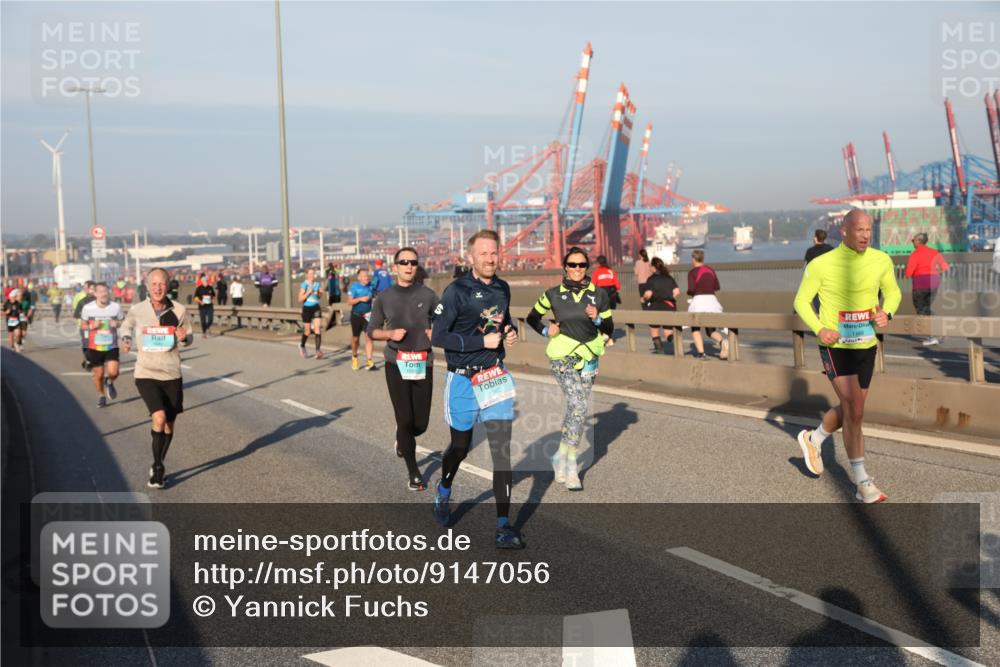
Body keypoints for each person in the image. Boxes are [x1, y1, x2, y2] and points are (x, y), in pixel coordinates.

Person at [793, 209, 901, 504]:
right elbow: (801, 301)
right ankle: (862, 481)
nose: (866, 235)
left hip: (866, 344)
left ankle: (813, 438)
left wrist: (887, 312)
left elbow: (893, 293)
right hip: (835, 345)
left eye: (868, 230)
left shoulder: (881, 260)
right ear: (844, 231)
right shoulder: (821, 264)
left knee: (854, 408)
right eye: (859, 230)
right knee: (855, 409)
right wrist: (820, 328)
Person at [431, 229, 524, 549]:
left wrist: (509, 332)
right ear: (471, 257)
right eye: (483, 253)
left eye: (494, 252)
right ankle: (444, 489)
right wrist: (480, 342)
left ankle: (503, 525)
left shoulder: (502, 288)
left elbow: (502, 320)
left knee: (501, 452)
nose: (490, 258)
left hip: (494, 375)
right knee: (460, 447)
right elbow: (438, 336)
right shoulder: (456, 291)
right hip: (462, 379)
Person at [527, 247, 613, 490]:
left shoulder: (599, 294)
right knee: (579, 405)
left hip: (589, 356)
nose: (577, 269)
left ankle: (559, 456)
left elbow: (609, 326)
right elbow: (532, 317)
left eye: (582, 265)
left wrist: (597, 318)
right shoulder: (553, 294)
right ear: (565, 267)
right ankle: (572, 465)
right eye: (573, 264)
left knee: (576, 410)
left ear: (587, 267)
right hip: (562, 356)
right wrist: (546, 330)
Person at [367, 247, 439, 491]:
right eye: (404, 262)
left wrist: (436, 330)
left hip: (423, 362)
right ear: (395, 266)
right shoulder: (384, 297)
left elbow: (444, 319)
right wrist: (389, 334)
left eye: (413, 262)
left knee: (421, 424)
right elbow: (371, 331)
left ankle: (402, 435)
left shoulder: (429, 295)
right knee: (405, 418)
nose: (409, 266)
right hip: (396, 363)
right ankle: (413, 472)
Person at [120, 268, 193, 489]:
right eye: (154, 284)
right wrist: (126, 339)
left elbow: (189, 337)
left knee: (169, 423)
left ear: (168, 285)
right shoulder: (138, 309)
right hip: (146, 372)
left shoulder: (179, 310)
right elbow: (126, 326)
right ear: (148, 286)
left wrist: (184, 337)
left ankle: (158, 461)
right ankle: (158, 468)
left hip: (171, 373)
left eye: (162, 284)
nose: (158, 288)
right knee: (159, 417)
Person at [79, 283, 124, 408]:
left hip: (111, 345)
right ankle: (101, 395)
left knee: (114, 372)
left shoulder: (115, 307)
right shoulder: (88, 308)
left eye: (105, 291)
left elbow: (123, 321)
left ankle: (109, 381)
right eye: (100, 292)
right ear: (95, 294)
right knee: (98, 374)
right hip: (94, 346)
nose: (104, 294)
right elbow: (83, 325)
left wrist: (117, 323)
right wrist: (91, 326)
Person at [904, 232, 950, 346]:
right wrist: (936, 272)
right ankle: (940, 329)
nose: (912, 242)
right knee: (927, 308)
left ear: (918, 241)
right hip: (934, 282)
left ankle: (934, 335)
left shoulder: (915, 254)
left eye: (913, 240)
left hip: (920, 284)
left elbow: (908, 274)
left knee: (922, 310)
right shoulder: (934, 252)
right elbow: (945, 267)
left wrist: (910, 271)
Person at [686, 249, 729, 360]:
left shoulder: (692, 272)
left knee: (695, 328)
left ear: (693, 258)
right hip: (712, 301)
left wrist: (689, 293)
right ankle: (722, 342)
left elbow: (691, 289)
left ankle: (701, 354)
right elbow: (717, 287)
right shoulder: (710, 270)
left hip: (699, 301)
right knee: (710, 330)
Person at [640, 257, 680, 354]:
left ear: (654, 267)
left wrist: (643, 299)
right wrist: (669, 297)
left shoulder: (651, 279)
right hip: (669, 306)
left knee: (655, 329)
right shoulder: (669, 278)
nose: (649, 267)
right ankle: (676, 342)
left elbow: (648, 294)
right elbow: (677, 292)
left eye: (650, 265)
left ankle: (659, 349)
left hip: (656, 306)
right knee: (668, 331)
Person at [347, 268, 376, 370]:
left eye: (367, 275)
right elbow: (349, 302)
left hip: (368, 315)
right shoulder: (354, 287)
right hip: (356, 316)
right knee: (355, 339)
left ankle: (369, 361)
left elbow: (375, 296)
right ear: (359, 278)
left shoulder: (371, 286)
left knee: (369, 337)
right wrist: (360, 299)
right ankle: (354, 357)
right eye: (363, 276)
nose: (366, 277)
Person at [298, 268, 325, 359]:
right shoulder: (304, 284)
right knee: (308, 331)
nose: (312, 275)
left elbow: (318, 297)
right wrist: (307, 293)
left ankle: (318, 351)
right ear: (307, 275)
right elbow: (300, 299)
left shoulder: (317, 284)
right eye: (310, 273)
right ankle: (302, 345)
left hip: (316, 307)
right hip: (307, 308)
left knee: (317, 329)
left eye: (313, 273)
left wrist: (320, 293)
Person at [73, 281, 97, 367]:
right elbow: (76, 314)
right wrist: (87, 317)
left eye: (94, 289)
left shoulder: (100, 300)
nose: (92, 290)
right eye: (91, 288)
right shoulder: (82, 301)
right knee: (87, 343)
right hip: (85, 327)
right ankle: (87, 359)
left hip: (98, 327)